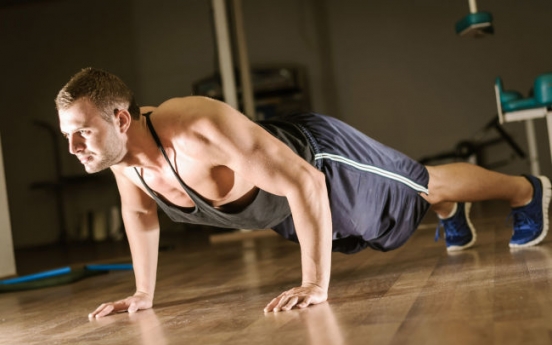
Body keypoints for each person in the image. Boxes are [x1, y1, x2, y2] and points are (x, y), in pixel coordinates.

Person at [55, 68, 551, 319]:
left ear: (120, 118)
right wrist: (143, 294)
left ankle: (525, 191)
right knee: (382, 230)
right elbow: (140, 217)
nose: (75, 148)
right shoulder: (122, 160)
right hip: (280, 207)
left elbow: (305, 183)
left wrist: (315, 285)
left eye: (83, 133)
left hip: (319, 160)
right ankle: (447, 208)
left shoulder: (195, 126)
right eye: (67, 137)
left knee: (420, 183)